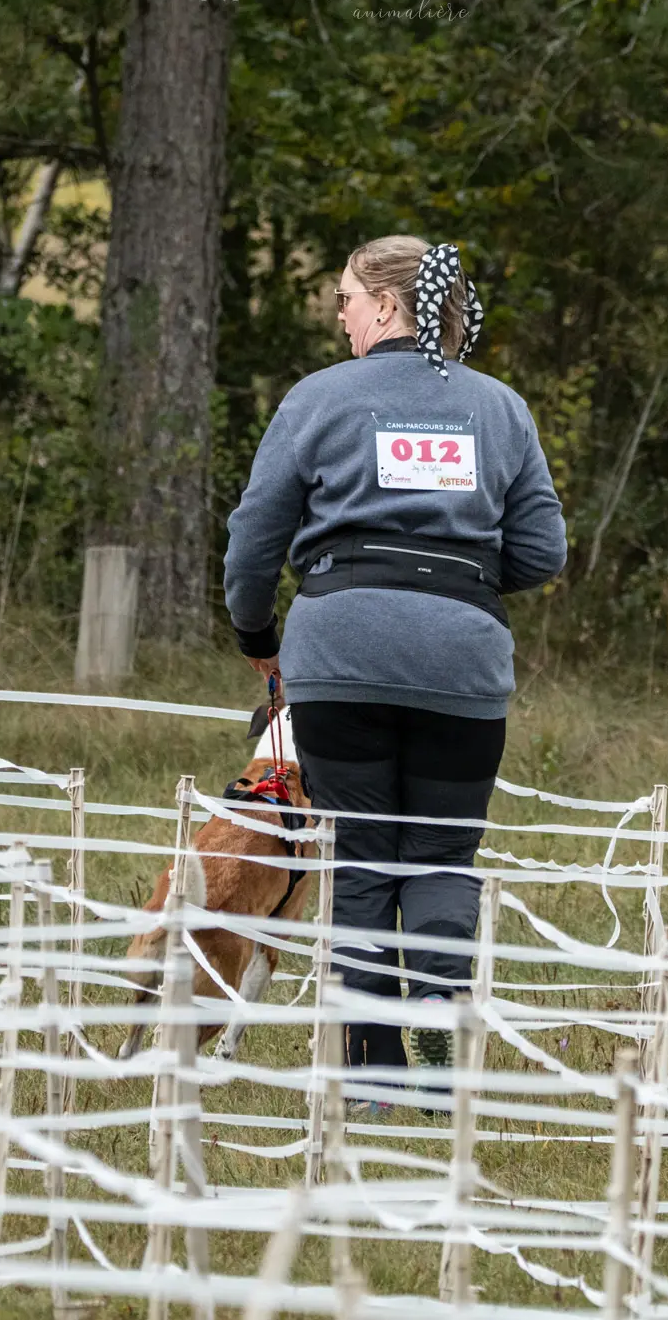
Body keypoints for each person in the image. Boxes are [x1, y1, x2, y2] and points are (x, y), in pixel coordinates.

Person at [222, 235, 567, 1113]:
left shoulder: (316, 400)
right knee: (444, 855)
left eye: (345, 297)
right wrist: (457, 580)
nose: (338, 314)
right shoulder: (501, 409)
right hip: (463, 663)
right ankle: (444, 1067)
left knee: (366, 855)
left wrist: (256, 628)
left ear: (385, 306)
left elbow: (255, 536)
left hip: (338, 658)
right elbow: (542, 549)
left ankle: (373, 1074)